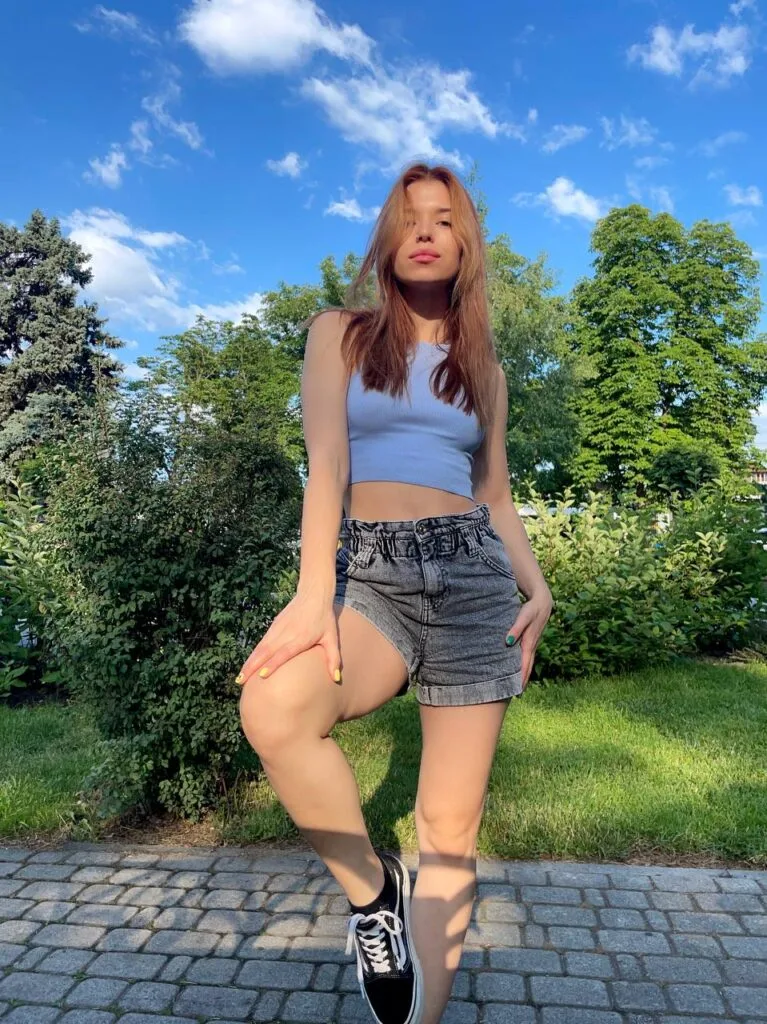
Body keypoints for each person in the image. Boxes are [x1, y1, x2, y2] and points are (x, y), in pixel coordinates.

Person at [237, 163, 553, 1024]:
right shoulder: (338, 334)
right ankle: (373, 895)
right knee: (274, 707)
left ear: (465, 244)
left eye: (443, 219)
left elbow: (495, 495)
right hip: (370, 573)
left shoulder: (483, 370)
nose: (424, 231)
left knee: (448, 828)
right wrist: (312, 594)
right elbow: (326, 466)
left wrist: (538, 587)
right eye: (408, 217)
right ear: (386, 238)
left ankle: (421, 1019)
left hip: (473, 582)